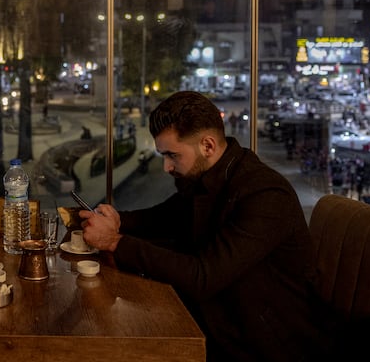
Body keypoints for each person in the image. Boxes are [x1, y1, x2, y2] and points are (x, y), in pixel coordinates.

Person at [79, 91, 333, 362]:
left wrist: (115, 241)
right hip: (220, 317)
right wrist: (119, 220)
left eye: (172, 155)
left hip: (265, 343)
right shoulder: (212, 176)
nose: (166, 166)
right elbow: (165, 217)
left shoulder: (265, 195)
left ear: (208, 146)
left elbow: (203, 278)